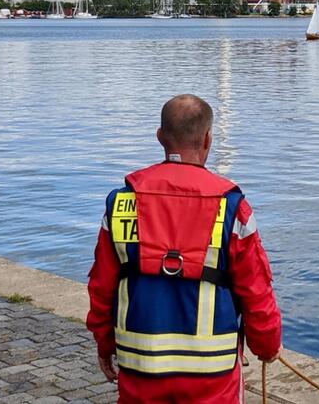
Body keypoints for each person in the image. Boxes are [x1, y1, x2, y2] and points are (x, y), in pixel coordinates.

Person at [87, 94, 282, 403]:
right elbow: (255, 289)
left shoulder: (121, 202)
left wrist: (104, 340)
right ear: (207, 139)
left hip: (141, 365)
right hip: (212, 373)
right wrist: (266, 344)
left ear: (160, 137)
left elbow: (102, 285)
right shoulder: (232, 206)